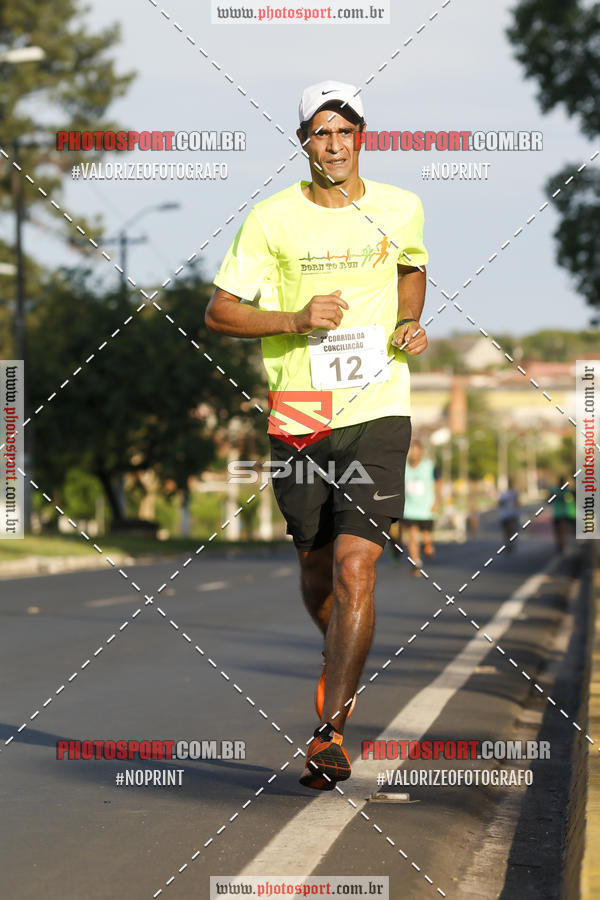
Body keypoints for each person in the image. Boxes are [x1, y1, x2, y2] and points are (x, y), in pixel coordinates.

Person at [205, 81, 429, 790]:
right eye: (318, 132)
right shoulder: (270, 221)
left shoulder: (400, 206)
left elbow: (412, 266)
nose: (332, 144)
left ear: (362, 135)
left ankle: (330, 730)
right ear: (303, 140)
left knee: (357, 568)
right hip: (299, 412)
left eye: (344, 131)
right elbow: (219, 313)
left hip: (378, 408)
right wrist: (295, 320)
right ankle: (340, 660)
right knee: (317, 567)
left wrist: (406, 320)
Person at [397, 440, 442, 575]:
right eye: (412, 451)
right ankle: (416, 563)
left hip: (426, 508)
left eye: (417, 451)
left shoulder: (429, 466)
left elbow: (439, 482)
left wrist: (436, 501)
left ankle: (427, 545)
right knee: (412, 535)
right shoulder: (403, 466)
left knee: (426, 538)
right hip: (410, 507)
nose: (414, 454)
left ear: (421, 453)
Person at [548, 475, 576, 552]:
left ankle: (561, 545)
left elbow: (549, 501)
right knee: (562, 532)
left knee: (560, 532)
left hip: (561, 514)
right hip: (565, 514)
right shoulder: (568, 491)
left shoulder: (555, 491)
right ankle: (561, 545)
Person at [497, 479, 520, 550]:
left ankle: (510, 543)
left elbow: (517, 503)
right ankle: (507, 543)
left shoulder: (514, 493)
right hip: (505, 515)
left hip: (511, 514)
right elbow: (500, 503)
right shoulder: (503, 494)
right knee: (507, 530)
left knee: (511, 530)